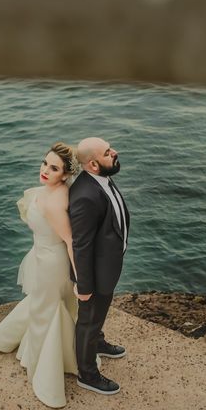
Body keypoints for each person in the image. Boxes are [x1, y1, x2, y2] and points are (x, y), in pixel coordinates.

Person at [0, 142, 83, 408]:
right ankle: (11, 338)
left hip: (52, 263)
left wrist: (81, 278)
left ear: (65, 174)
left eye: (54, 168)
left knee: (46, 312)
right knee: (45, 306)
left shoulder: (55, 202)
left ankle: (47, 377)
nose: (45, 170)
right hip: (41, 255)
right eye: (45, 163)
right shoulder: (50, 190)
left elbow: (70, 241)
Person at [70, 137, 130, 395]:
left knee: (98, 316)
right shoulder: (84, 196)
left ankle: (98, 343)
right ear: (93, 164)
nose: (115, 152)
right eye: (108, 152)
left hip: (107, 266)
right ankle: (88, 374)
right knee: (88, 320)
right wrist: (83, 286)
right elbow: (80, 246)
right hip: (94, 274)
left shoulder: (101, 177)